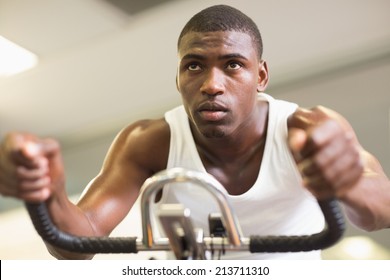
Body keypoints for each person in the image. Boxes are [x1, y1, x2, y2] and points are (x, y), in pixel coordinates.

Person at [0, 4, 389, 260]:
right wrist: (46, 194)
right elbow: (78, 244)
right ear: (178, 76)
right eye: (194, 66)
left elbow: (381, 212)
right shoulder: (149, 141)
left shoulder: (308, 130)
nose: (212, 85)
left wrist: (349, 181)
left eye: (233, 65)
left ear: (261, 76)